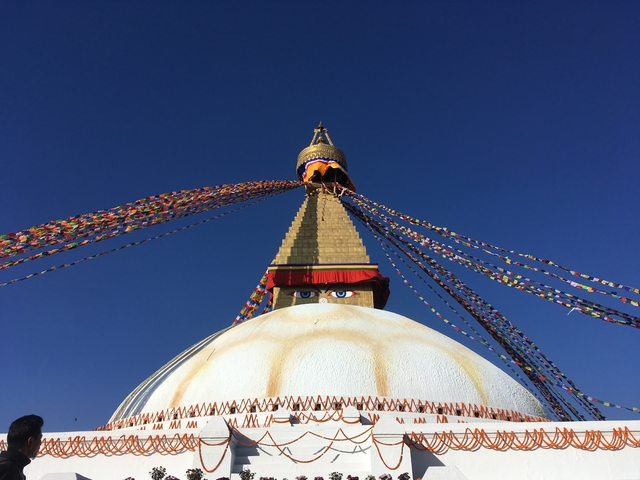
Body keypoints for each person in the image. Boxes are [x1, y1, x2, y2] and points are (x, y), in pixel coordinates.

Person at [0, 415, 43, 480]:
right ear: (30, 441)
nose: (40, 443)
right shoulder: (8, 470)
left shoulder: (11, 467)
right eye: (39, 439)